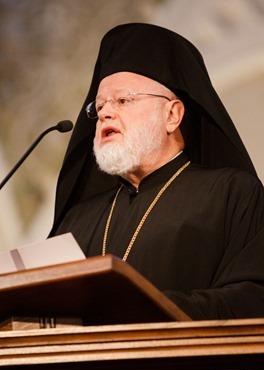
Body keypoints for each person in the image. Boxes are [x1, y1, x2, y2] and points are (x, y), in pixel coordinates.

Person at [50, 23, 264, 320]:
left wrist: (148, 308)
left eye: (123, 100)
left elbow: (253, 297)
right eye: (98, 108)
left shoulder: (232, 193)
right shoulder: (77, 220)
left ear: (172, 115)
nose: (105, 114)